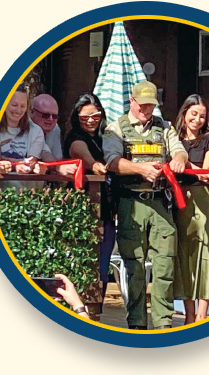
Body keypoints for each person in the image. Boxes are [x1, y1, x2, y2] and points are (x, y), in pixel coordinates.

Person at [102, 81, 188, 330]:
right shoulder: (116, 128)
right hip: (131, 204)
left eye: (151, 105)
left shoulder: (166, 128)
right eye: (143, 104)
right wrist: (141, 169)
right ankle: (136, 324)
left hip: (160, 203)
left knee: (164, 266)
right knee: (135, 268)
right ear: (132, 101)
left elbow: (179, 150)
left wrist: (180, 159)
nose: (147, 109)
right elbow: (112, 161)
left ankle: (163, 324)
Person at [174, 94, 209, 324]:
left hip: (202, 197)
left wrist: (184, 164)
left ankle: (202, 314)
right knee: (183, 254)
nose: (198, 119)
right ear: (184, 113)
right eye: (194, 114)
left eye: (202, 115)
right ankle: (188, 314)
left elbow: (207, 172)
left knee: (205, 254)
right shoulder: (173, 139)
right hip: (178, 198)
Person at [64, 92, 115, 299]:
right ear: (77, 117)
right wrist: (93, 164)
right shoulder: (75, 137)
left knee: (103, 260)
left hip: (108, 208)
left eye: (95, 115)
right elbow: (79, 152)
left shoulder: (108, 138)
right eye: (85, 117)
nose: (91, 120)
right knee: (84, 261)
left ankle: (98, 308)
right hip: (84, 208)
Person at [0, 83, 45, 189]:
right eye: (14, 105)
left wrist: (7, 161)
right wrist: (17, 163)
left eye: (23, 106)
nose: (18, 110)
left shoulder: (36, 131)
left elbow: (31, 161)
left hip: (27, 193)